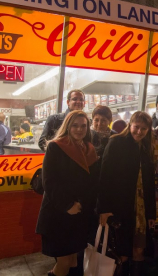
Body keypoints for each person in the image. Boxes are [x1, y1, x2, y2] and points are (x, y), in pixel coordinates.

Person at [35, 110, 99, 276]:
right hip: (59, 214)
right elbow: (49, 182)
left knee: (72, 261)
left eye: (83, 126)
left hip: (79, 216)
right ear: (68, 126)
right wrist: (67, 205)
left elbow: (91, 183)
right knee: (64, 262)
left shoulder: (89, 149)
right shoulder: (56, 147)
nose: (79, 129)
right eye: (75, 126)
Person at [99, 111, 156, 276]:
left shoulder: (146, 148)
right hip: (121, 207)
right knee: (122, 253)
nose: (139, 131)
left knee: (139, 249)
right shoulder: (116, 143)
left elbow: (149, 183)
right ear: (130, 124)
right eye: (136, 127)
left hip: (141, 210)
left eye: (144, 129)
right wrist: (103, 208)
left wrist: (151, 213)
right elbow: (104, 177)